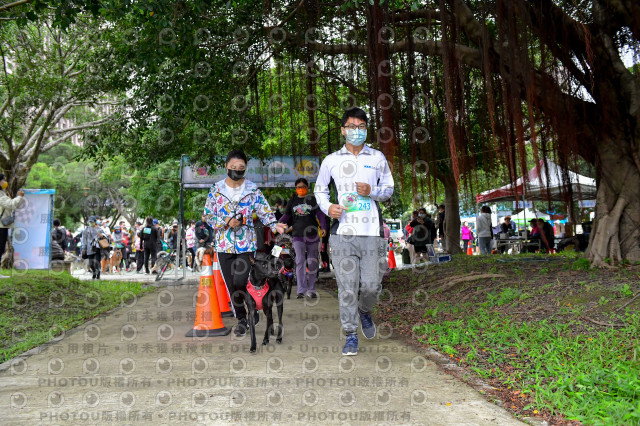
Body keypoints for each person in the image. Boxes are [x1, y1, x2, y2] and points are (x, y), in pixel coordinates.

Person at [315, 107, 394, 356]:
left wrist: (372, 190)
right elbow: (320, 190)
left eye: (361, 127)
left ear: (366, 129)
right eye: (351, 126)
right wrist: (328, 208)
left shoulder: (377, 157)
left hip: (371, 233)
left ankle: (364, 310)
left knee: (371, 286)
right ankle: (350, 334)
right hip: (342, 234)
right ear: (343, 130)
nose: (356, 131)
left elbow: (388, 189)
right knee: (347, 287)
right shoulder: (331, 160)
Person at [203, 149, 286, 336]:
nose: (237, 170)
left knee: (240, 281)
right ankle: (242, 319)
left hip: (246, 244)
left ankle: (252, 310)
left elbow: (264, 210)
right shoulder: (216, 189)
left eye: (241, 167)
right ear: (226, 166)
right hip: (223, 245)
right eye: (233, 166)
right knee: (231, 285)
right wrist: (225, 221)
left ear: (245, 168)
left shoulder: (252, 189)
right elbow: (207, 215)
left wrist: (274, 224)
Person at [278, 177, 327, 299]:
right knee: (300, 261)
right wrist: (277, 224)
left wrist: (324, 226)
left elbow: (320, 214)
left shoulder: (312, 199)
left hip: (312, 235)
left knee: (312, 262)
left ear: (307, 188)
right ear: (296, 188)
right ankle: (301, 290)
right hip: (297, 236)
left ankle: (312, 289)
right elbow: (286, 216)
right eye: (298, 187)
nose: (301, 189)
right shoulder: (292, 201)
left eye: (303, 187)